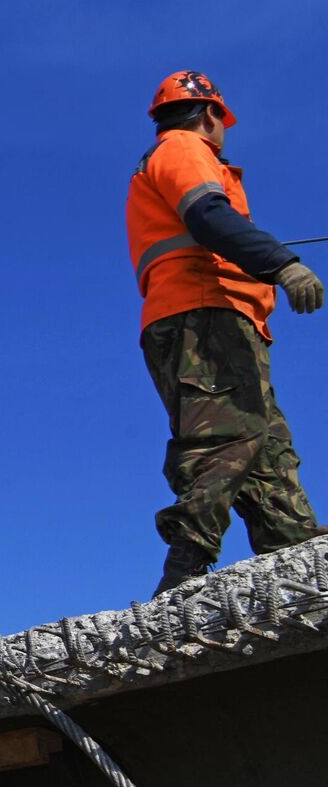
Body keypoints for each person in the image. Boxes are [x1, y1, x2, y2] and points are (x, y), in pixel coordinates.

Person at [128, 70, 326, 595]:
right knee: (226, 437)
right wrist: (282, 264)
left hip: (220, 318)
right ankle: (182, 574)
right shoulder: (184, 149)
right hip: (202, 314)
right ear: (212, 114)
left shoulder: (172, 157)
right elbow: (209, 216)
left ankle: (294, 549)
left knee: (266, 446)